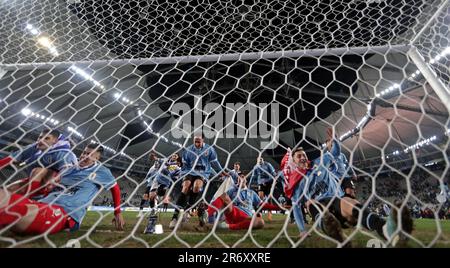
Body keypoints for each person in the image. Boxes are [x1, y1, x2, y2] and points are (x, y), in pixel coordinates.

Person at [0, 144, 125, 234]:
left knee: (18, 211)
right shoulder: (70, 168)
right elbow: (52, 182)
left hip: (66, 212)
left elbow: (115, 189)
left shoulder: (101, 171)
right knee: (3, 196)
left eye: (90, 155)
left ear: (97, 159)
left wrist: (117, 212)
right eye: (84, 152)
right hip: (43, 203)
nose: (85, 156)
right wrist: (50, 183)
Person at [169, 134, 227, 229]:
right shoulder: (188, 150)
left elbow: (215, 162)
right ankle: (174, 217)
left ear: (203, 140)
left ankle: (187, 210)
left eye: (198, 141)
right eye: (195, 141)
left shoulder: (209, 149)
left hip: (203, 173)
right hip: (189, 171)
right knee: (186, 186)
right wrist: (181, 173)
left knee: (196, 187)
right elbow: (185, 165)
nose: (197, 143)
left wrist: (222, 172)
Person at [1, 129, 78, 198]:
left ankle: (27, 198)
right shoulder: (34, 147)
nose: (41, 140)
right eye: (40, 137)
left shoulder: (63, 152)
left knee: (38, 171)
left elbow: (67, 169)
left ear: (55, 140)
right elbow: (13, 158)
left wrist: (55, 180)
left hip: (55, 185)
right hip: (36, 181)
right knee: (8, 189)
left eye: (46, 138)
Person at [204, 174, 281, 230]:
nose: (240, 178)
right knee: (224, 195)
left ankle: (226, 227)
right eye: (239, 177)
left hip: (246, 217)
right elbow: (221, 201)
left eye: (243, 177)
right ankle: (206, 214)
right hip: (233, 212)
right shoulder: (232, 190)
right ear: (237, 180)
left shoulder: (252, 192)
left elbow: (262, 205)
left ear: (246, 180)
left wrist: (279, 207)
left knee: (260, 222)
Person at [144, 153, 181, 234]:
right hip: (157, 180)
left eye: (176, 156)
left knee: (159, 195)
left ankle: (156, 210)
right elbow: (157, 159)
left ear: (177, 158)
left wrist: (167, 194)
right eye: (173, 155)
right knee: (151, 197)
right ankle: (154, 210)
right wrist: (153, 156)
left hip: (165, 183)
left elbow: (174, 180)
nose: (173, 156)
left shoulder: (178, 168)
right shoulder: (164, 161)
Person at [249, 157, 276, 221]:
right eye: (258, 159)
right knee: (260, 198)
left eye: (261, 159)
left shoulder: (268, 165)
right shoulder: (256, 166)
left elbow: (273, 174)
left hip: (269, 182)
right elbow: (253, 176)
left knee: (269, 198)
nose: (260, 160)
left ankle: (270, 213)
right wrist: (249, 185)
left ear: (263, 159)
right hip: (260, 183)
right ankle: (259, 214)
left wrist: (269, 181)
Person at [137, 152, 164, 218]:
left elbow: (164, 161)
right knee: (145, 196)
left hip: (157, 184)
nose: (157, 164)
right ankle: (140, 212)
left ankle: (153, 210)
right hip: (150, 184)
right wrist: (143, 181)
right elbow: (147, 176)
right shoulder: (152, 169)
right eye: (156, 163)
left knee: (153, 198)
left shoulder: (162, 168)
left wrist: (155, 157)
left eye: (158, 163)